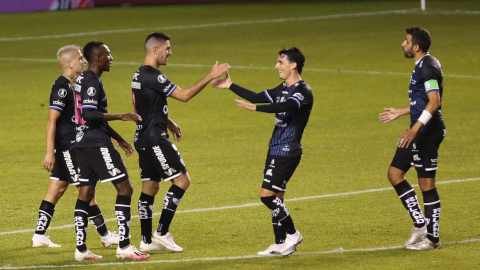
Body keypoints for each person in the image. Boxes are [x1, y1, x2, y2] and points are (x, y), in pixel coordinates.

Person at [132, 32, 230, 252]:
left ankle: (146, 241)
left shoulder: (138, 74)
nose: (170, 52)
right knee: (182, 181)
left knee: (150, 187)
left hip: (142, 138)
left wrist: (168, 121)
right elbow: (184, 95)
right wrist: (210, 76)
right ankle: (162, 232)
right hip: (155, 140)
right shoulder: (155, 76)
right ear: (154, 50)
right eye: (167, 48)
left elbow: (146, 106)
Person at [212, 47, 313, 256]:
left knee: (266, 196)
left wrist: (255, 108)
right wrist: (230, 85)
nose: (277, 66)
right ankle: (279, 242)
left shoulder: (302, 91)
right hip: (275, 148)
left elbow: (286, 106)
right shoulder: (283, 87)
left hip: (287, 150)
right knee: (277, 197)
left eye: (280, 62)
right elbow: (258, 95)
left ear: (293, 65)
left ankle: (293, 234)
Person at [32, 45, 119, 249]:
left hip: (71, 144)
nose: (84, 61)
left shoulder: (75, 84)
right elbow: (51, 120)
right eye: (80, 58)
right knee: (86, 190)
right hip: (67, 146)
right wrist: (49, 152)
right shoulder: (62, 88)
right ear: (69, 64)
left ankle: (39, 235)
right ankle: (105, 236)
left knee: (57, 189)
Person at [73, 41, 149, 261]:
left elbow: (92, 116)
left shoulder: (83, 79)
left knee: (86, 194)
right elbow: (89, 114)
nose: (111, 58)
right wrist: (121, 116)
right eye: (107, 54)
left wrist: (119, 138)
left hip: (81, 142)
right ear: (97, 58)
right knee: (125, 189)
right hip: (95, 142)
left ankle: (81, 250)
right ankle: (124, 246)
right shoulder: (92, 82)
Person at [379, 26, 445, 250]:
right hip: (420, 130)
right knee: (395, 173)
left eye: (406, 41)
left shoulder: (427, 68)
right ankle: (420, 224)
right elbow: (425, 100)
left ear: (416, 47)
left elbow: (435, 102)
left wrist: (414, 129)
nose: (403, 44)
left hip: (426, 133)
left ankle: (433, 240)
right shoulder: (427, 64)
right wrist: (401, 111)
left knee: (426, 184)